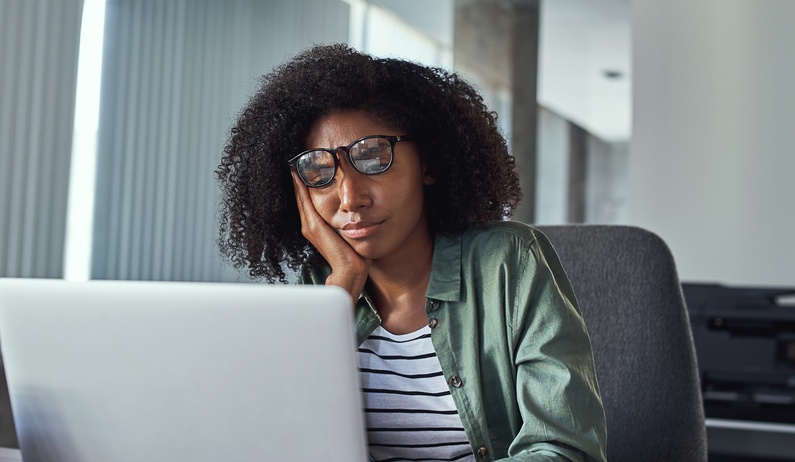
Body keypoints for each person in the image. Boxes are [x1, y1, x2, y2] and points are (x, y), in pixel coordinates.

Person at [217, 44, 607, 462]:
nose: (349, 197)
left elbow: (565, 451)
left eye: (372, 156)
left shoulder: (510, 262)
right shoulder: (321, 286)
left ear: (429, 163)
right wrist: (341, 287)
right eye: (319, 171)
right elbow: (278, 440)